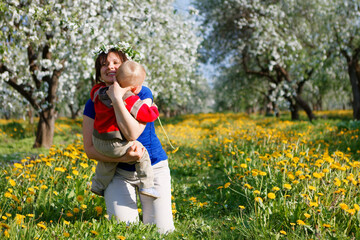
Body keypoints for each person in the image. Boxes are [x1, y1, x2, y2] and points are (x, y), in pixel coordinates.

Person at [82, 44, 175, 234]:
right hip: (118, 171)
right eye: (104, 64)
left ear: (126, 66)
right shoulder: (94, 101)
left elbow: (133, 134)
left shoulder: (142, 93)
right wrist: (124, 158)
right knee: (125, 231)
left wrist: (117, 99)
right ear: (99, 72)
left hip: (153, 168)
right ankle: (103, 186)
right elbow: (90, 150)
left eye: (116, 62)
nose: (110, 67)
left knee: (162, 231)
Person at [90, 60, 160, 199]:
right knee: (141, 152)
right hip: (114, 142)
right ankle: (147, 185)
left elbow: (93, 93)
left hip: (98, 140)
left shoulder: (100, 91)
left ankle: (98, 185)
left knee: (109, 159)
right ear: (135, 88)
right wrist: (154, 109)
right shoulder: (129, 98)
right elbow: (145, 114)